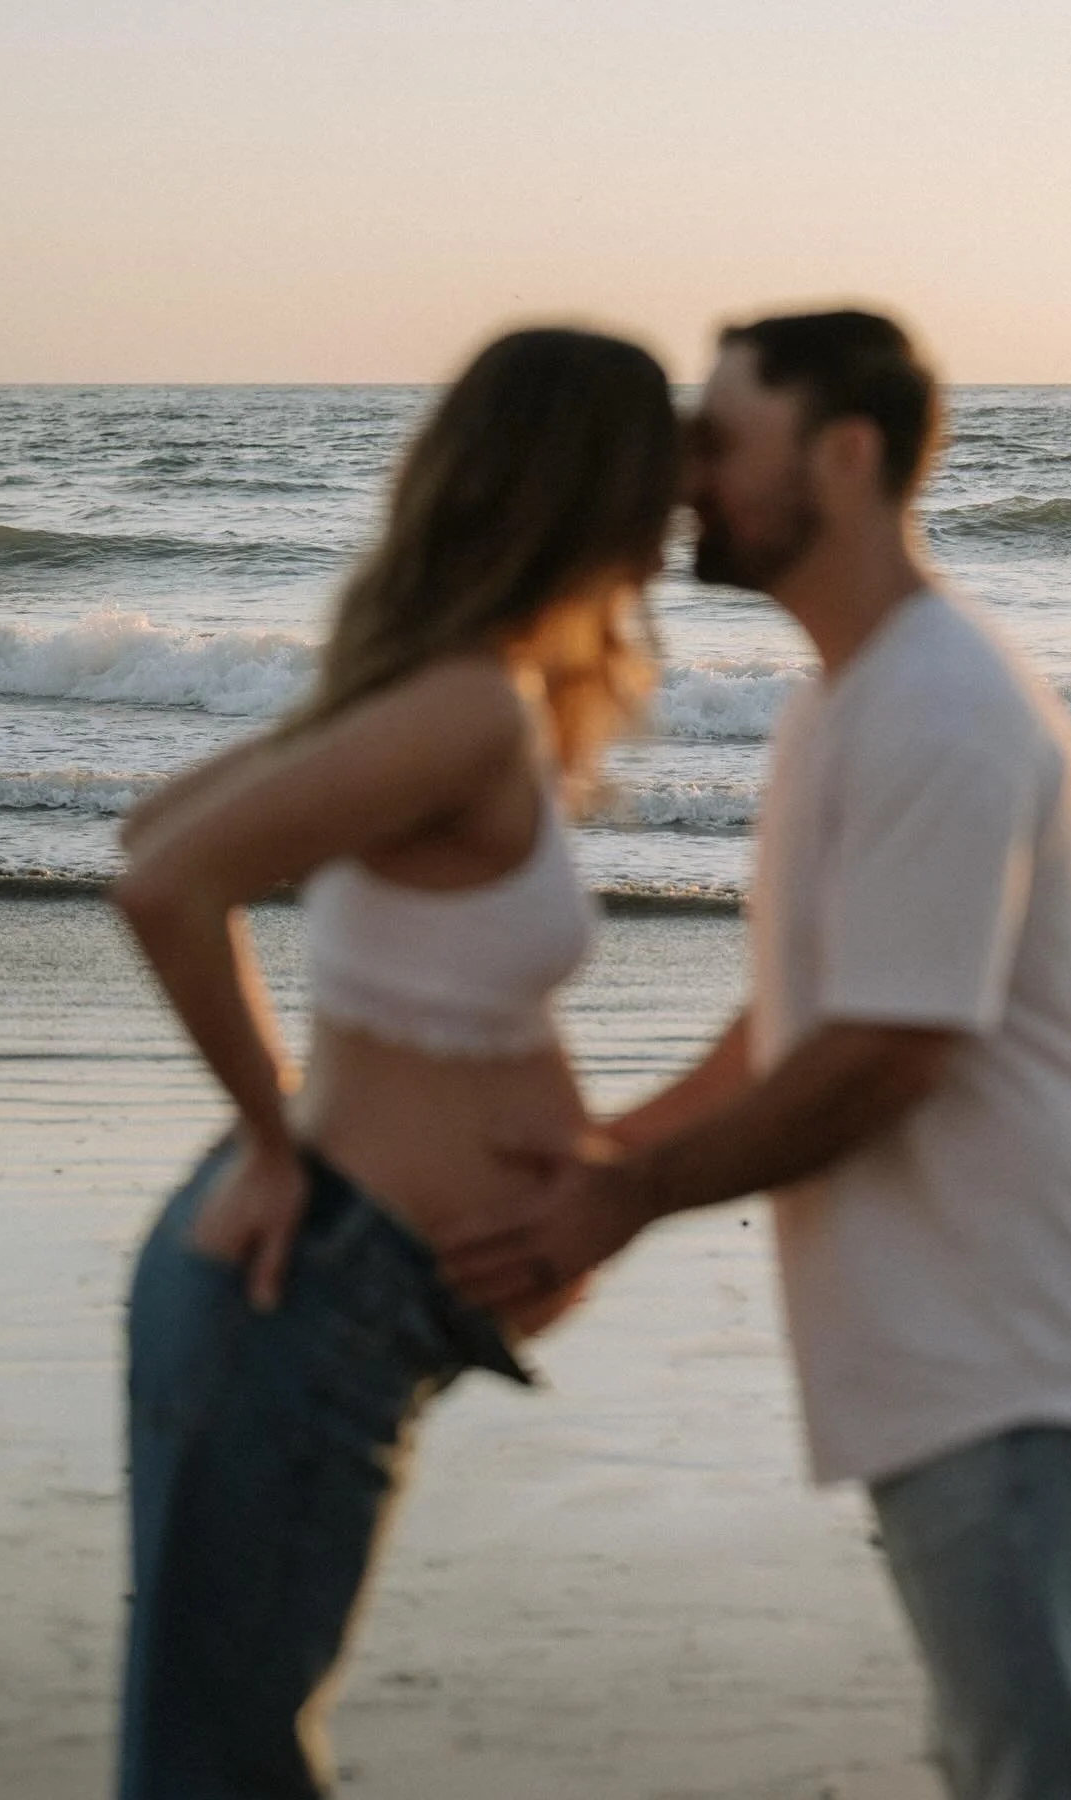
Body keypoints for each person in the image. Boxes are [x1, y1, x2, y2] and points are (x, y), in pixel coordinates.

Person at [441, 309, 1071, 1800]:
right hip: (954, 1360)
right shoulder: (849, 700)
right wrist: (602, 1162)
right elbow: (798, 1024)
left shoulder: (939, 705)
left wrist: (621, 1200)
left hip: (1024, 1363)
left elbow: (885, 1056)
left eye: (719, 438)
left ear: (844, 459)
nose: (683, 478)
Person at [110, 326, 678, 1800]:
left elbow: (159, 817)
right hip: (309, 1284)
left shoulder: (456, 695)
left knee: (227, 1753)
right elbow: (164, 879)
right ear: (591, 492)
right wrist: (272, 1142)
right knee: (219, 1769)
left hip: (342, 1299)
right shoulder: (464, 706)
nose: (675, 518)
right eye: (655, 478)